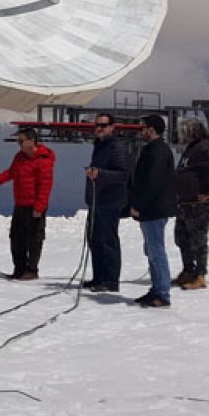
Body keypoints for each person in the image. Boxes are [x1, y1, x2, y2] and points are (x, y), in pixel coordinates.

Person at [0, 127, 55, 280]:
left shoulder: (43, 159)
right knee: (16, 238)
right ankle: (19, 269)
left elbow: (45, 186)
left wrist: (39, 207)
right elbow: (11, 173)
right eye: (18, 141)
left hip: (34, 206)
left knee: (34, 239)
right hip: (20, 204)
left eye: (21, 140)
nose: (19, 144)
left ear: (32, 140)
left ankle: (31, 270)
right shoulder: (20, 157)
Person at [173, 119, 209, 290]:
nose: (182, 135)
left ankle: (200, 275)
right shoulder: (191, 149)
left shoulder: (204, 148)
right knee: (182, 237)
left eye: (184, 131)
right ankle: (188, 270)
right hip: (185, 203)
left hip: (198, 205)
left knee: (198, 240)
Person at [129, 114, 177, 307]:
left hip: (154, 209)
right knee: (151, 250)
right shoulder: (154, 150)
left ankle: (162, 292)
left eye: (144, 128)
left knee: (156, 251)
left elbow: (153, 182)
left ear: (152, 129)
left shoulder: (158, 152)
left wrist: (140, 205)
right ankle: (157, 289)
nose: (141, 131)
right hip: (153, 209)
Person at [82, 113, 130, 292]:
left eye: (103, 125)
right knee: (95, 239)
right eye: (97, 125)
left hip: (110, 201)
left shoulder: (116, 147)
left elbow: (123, 174)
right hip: (97, 200)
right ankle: (99, 277)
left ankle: (110, 280)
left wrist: (100, 174)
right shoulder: (100, 146)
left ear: (112, 127)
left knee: (108, 241)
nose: (99, 128)